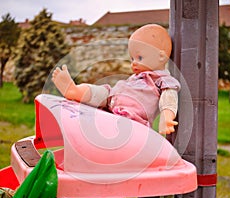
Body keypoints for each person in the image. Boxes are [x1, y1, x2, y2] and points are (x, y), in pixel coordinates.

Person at [52, 24, 180, 135]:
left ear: (161, 57)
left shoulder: (163, 80)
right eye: (132, 59)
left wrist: (166, 116)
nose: (133, 63)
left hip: (133, 120)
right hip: (112, 103)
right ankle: (75, 91)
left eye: (139, 58)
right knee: (104, 92)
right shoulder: (134, 79)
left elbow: (169, 98)